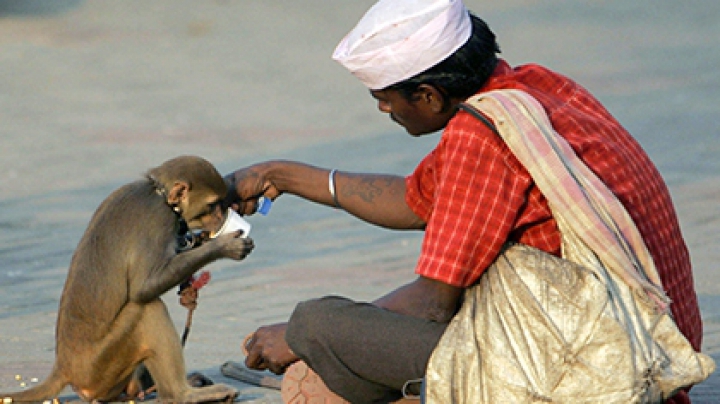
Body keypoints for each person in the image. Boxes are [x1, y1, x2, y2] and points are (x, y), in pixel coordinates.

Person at [224, 0, 703, 402]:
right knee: (333, 346)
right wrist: (280, 175)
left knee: (318, 320)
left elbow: (432, 302)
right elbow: (417, 202)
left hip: (592, 368)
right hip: (651, 346)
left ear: (429, 96)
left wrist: (303, 337)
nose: (383, 110)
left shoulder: (479, 136)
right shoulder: (534, 89)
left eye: (386, 99)